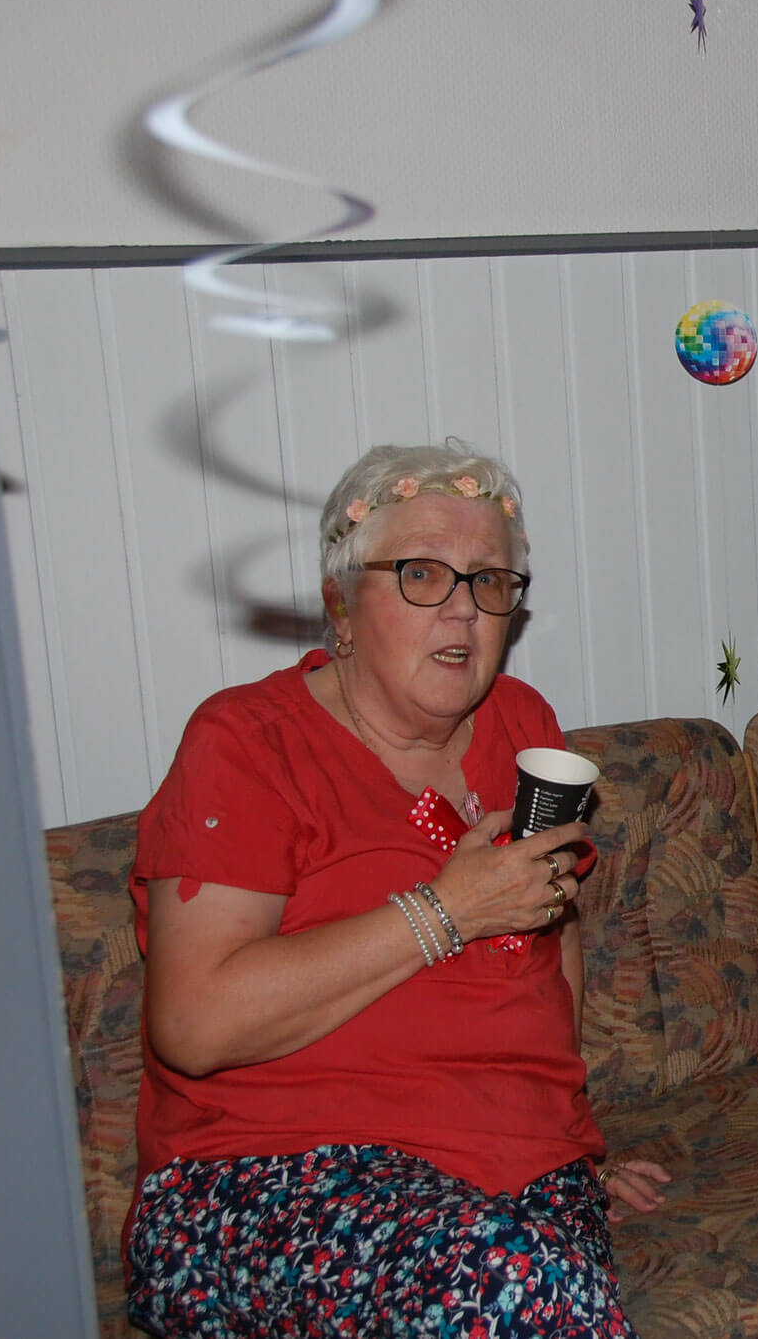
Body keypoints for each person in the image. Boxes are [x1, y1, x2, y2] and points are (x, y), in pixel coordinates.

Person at [125, 442, 671, 1338]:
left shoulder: (524, 726)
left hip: (514, 1183)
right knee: (510, 1279)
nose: (463, 608)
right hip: (265, 1175)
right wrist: (446, 912)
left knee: (529, 1270)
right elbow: (194, 1022)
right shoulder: (248, 743)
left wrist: (569, 1138)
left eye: (490, 581)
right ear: (341, 602)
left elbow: (551, 940)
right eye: (422, 574)